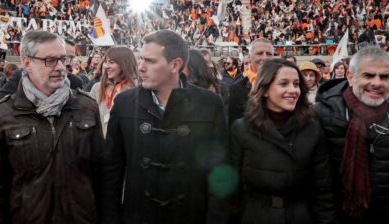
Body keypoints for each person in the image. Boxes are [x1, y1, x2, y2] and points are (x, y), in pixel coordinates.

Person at [102, 30, 232, 223]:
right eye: (140, 59)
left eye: (150, 61)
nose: (141, 68)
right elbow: (112, 170)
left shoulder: (210, 104)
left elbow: (219, 172)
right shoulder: (124, 103)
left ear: (175, 65)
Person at [0, 31, 103, 223]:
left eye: (63, 59)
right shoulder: (0, 115)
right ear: (27, 63)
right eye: (50, 60)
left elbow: (101, 175)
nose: (61, 67)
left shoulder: (87, 107)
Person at [230, 58, 335, 223]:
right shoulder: (242, 129)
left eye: (296, 84)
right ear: (265, 90)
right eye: (283, 84)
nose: (293, 90)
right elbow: (232, 188)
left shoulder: (313, 128)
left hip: (299, 216)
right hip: (255, 216)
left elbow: (322, 188)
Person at [313, 46, 389, 224]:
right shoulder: (321, 114)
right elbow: (316, 180)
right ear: (350, 77)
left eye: (384, 76)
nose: (377, 83)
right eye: (368, 75)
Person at [89, 46, 138, 136]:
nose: (107, 66)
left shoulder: (137, 89)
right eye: (106, 62)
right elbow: (89, 116)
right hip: (101, 145)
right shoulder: (97, 87)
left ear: (124, 64)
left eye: (111, 62)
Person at [227, 38, 274, 125]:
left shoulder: (284, 83)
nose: (265, 58)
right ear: (249, 57)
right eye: (259, 53)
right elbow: (234, 125)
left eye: (269, 54)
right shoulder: (237, 88)